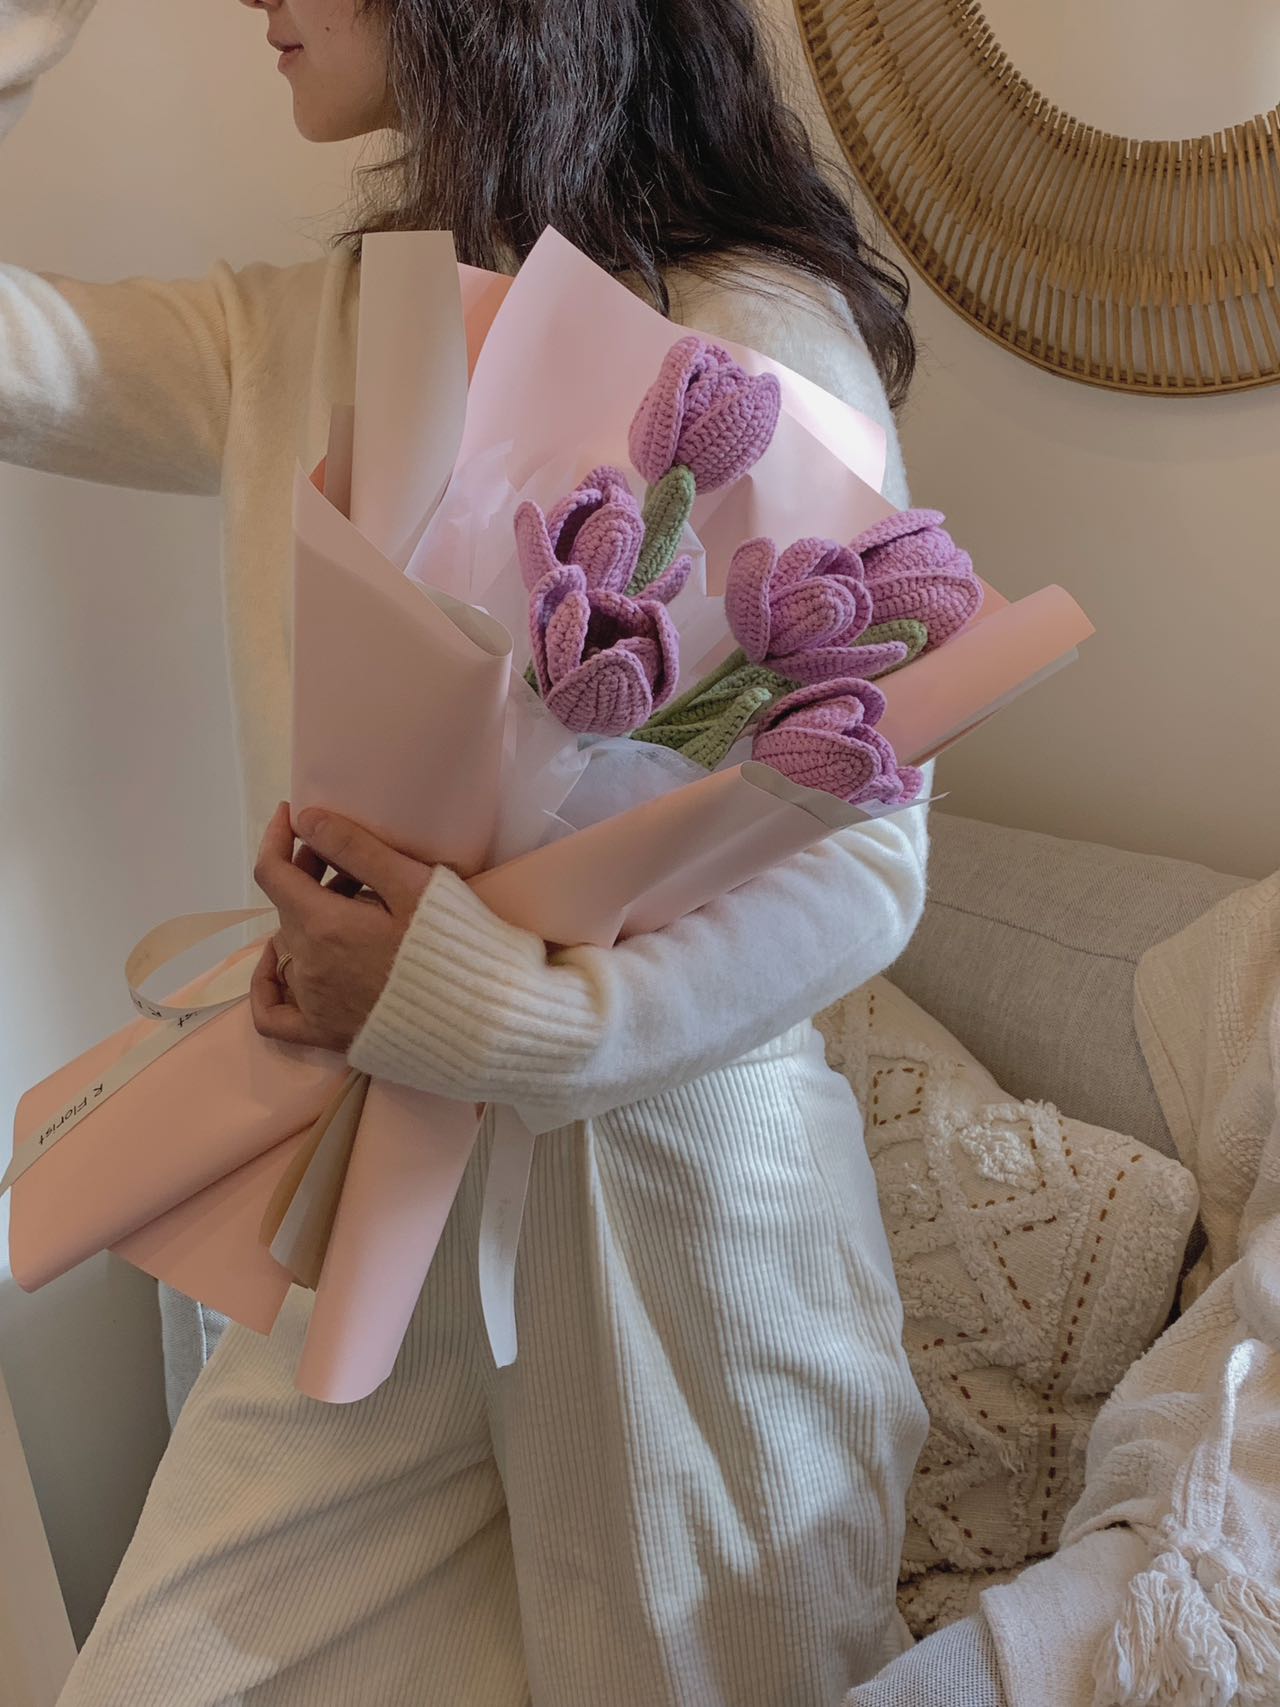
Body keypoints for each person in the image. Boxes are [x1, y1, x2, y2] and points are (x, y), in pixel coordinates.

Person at [2, 1, 945, 1702]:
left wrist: (506, 1012)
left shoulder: (749, 334)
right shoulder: (323, 327)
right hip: (384, 1194)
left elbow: (865, 862)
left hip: (682, 1232)